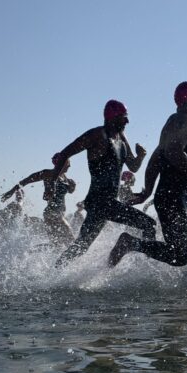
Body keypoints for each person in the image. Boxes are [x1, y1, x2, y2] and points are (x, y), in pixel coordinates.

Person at [108, 81, 187, 276]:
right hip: (172, 196)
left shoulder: (176, 121)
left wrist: (147, 191)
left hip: (179, 196)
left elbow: (155, 158)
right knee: (180, 255)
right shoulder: (185, 120)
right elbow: (172, 151)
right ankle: (130, 243)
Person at [53, 99, 156, 266]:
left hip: (105, 203)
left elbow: (133, 166)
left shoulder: (122, 138)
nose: (127, 121)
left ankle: (56, 271)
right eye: (123, 117)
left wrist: (141, 156)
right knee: (148, 224)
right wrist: (52, 182)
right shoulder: (96, 135)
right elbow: (65, 153)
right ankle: (146, 268)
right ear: (112, 117)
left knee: (82, 246)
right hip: (99, 201)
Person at [1, 153, 76, 246]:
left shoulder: (64, 177)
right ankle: (26, 251)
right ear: (61, 163)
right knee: (72, 242)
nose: (70, 165)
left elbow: (69, 191)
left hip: (58, 214)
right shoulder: (48, 174)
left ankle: (28, 251)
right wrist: (11, 191)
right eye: (68, 162)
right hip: (53, 213)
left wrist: (72, 187)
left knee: (57, 245)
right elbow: (27, 180)